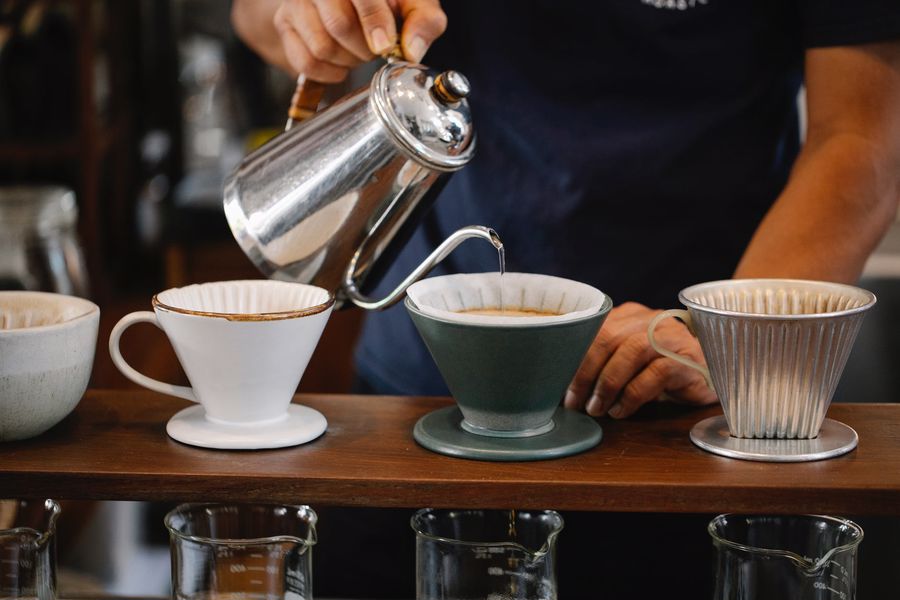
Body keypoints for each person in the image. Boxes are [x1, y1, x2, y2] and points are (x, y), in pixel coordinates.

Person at [231, 1, 900, 597]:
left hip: (684, 409)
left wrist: (724, 337)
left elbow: (861, 138)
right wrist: (312, 17)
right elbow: (258, 21)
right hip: (421, 397)